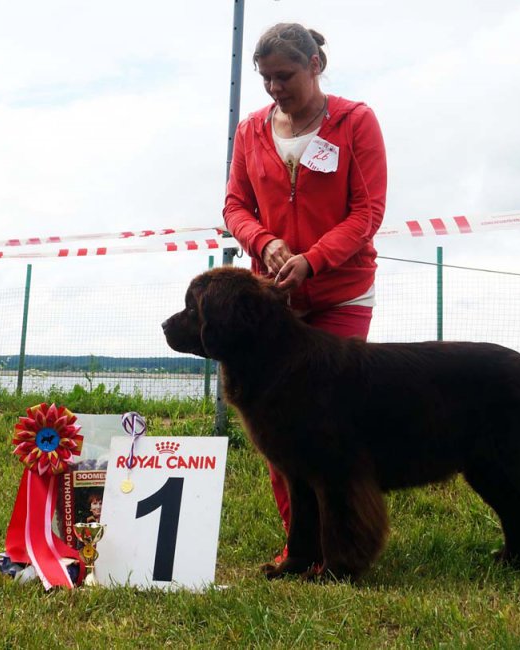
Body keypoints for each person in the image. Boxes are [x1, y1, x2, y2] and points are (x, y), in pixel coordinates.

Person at [223, 22, 387, 564]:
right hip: (274, 304)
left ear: (316, 65)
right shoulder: (250, 132)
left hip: (341, 293)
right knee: (278, 423)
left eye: (285, 75)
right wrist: (264, 242)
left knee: (331, 424)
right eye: (266, 78)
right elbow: (234, 207)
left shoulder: (354, 122)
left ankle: (340, 544)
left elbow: (367, 212)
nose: (275, 88)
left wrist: (312, 261)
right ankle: (302, 545)